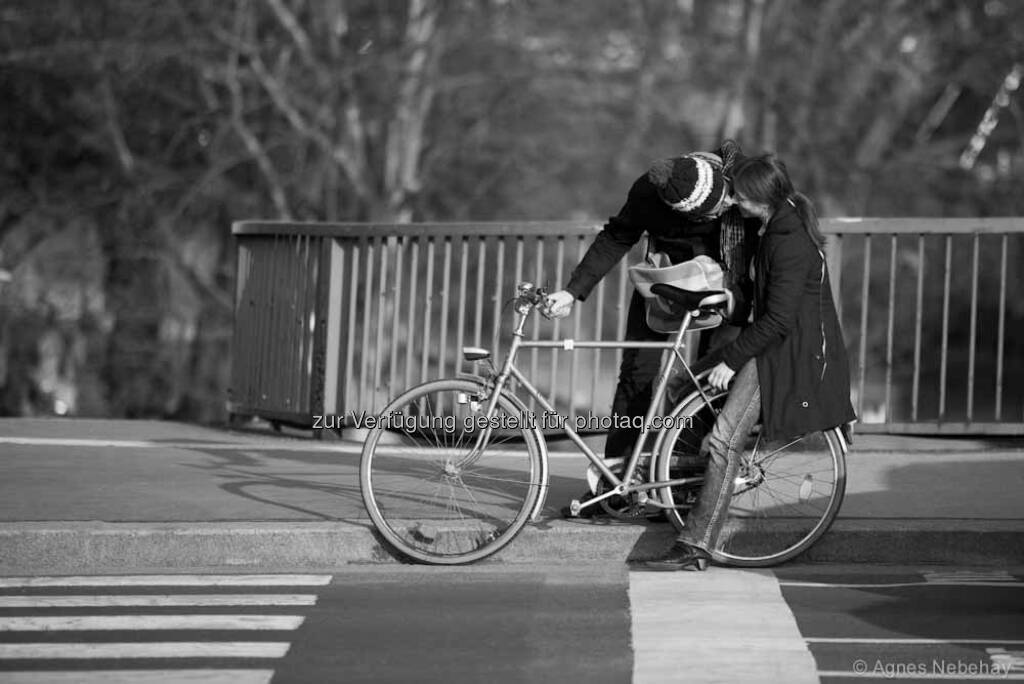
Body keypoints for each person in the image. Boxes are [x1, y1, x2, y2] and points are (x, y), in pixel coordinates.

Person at [638, 153, 857, 571]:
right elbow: (764, 304)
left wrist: (732, 361)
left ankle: (696, 544)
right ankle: (689, 484)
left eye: (740, 197)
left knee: (724, 440)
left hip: (782, 355)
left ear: (762, 199)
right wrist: (732, 302)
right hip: (773, 343)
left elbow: (778, 319)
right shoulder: (774, 226)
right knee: (681, 386)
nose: (735, 203)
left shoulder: (788, 240)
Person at [545, 141, 760, 517]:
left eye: (727, 200)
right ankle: (616, 482)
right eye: (717, 211)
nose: (729, 206)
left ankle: (687, 481)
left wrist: (749, 302)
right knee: (637, 374)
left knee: (710, 380)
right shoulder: (649, 191)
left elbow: (776, 229)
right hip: (667, 279)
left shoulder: (739, 177)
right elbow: (617, 235)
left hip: (727, 283)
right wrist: (572, 291)